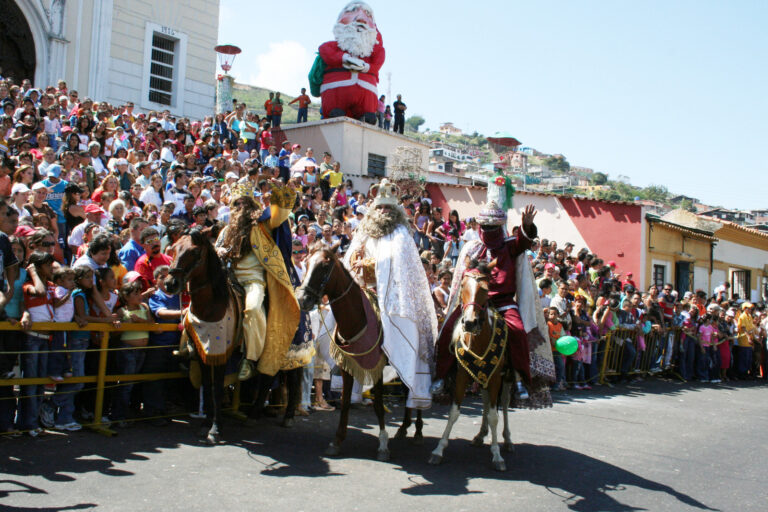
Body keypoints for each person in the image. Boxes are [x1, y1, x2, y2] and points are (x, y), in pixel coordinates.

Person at [345, 178, 437, 409]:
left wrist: (371, 264)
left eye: (387, 207)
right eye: (380, 207)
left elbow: (400, 264)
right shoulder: (363, 231)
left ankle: (404, 370)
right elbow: (350, 257)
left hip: (393, 293)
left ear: (395, 210)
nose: (383, 211)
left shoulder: (400, 233)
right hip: (364, 289)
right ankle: (344, 370)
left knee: (402, 325)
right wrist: (355, 261)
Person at [215, 180, 312, 381]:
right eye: (236, 204)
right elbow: (217, 247)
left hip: (253, 280)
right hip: (228, 278)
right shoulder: (227, 230)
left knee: (252, 308)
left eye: (244, 203)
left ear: (251, 205)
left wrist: (282, 191)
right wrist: (220, 250)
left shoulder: (262, 224)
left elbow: (279, 214)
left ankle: (249, 359)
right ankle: (189, 343)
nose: (239, 208)